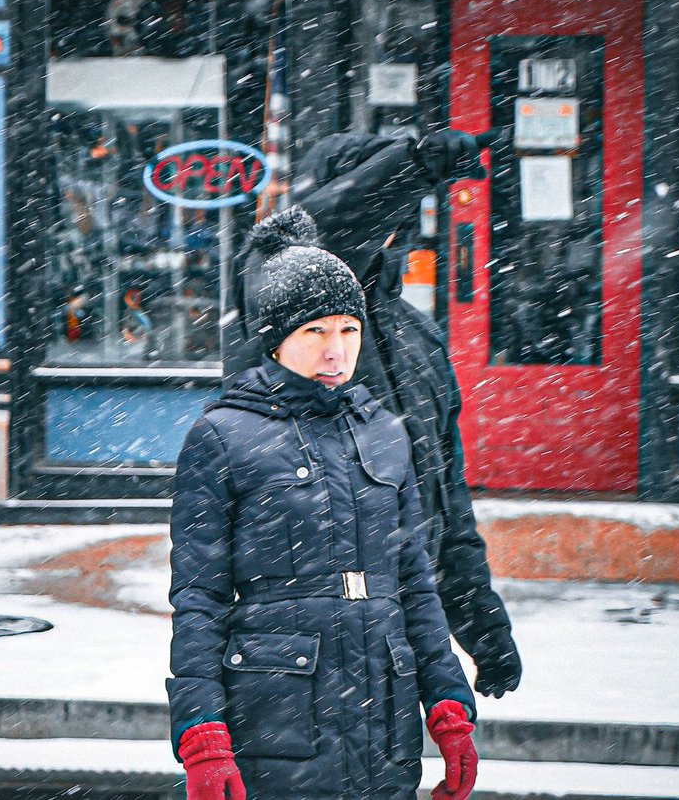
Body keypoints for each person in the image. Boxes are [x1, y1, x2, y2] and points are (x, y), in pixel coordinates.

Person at [169, 207, 479, 800]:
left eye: (348, 331)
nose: (336, 351)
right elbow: (198, 598)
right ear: (278, 339)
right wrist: (202, 737)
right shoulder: (224, 437)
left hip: (385, 725)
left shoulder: (386, 432)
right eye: (315, 332)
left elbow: (415, 585)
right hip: (278, 722)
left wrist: (449, 705)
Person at [223, 131, 522, 699]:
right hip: (296, 641)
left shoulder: (418, 336)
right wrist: (407, 167)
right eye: (385, 202)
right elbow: (328, 231)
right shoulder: (280, 313)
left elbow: (444, 499)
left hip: (399, 634)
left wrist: (482, 622)